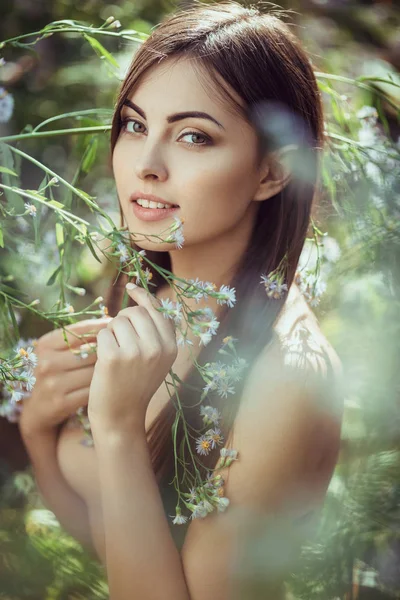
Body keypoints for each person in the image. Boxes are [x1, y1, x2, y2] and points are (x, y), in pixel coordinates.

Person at [18, 2, 344, 598]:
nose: (145, 166)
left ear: (272, 172)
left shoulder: (285, 377)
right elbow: (110, 543)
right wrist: (39, 430)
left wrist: (116, 430)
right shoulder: (148, 290)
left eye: (194, 136)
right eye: (136, 126)